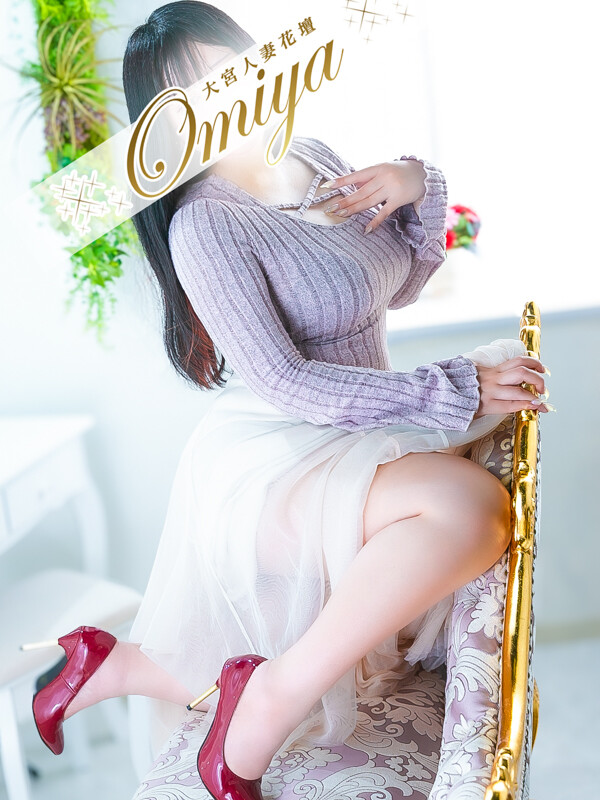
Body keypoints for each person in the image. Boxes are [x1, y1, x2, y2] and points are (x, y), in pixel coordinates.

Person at [22, 3, 552, 798]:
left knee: (466, 511)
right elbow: (285, 381)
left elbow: (397, 288)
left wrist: (415, 184)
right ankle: (265, 699)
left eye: (230, 69)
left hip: (360, 421)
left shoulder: (310, 155)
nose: (226, 97)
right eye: (193, 93)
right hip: (281, 447)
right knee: (471, 509)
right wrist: (451, 387)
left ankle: (118, 664)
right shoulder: (204, 225)